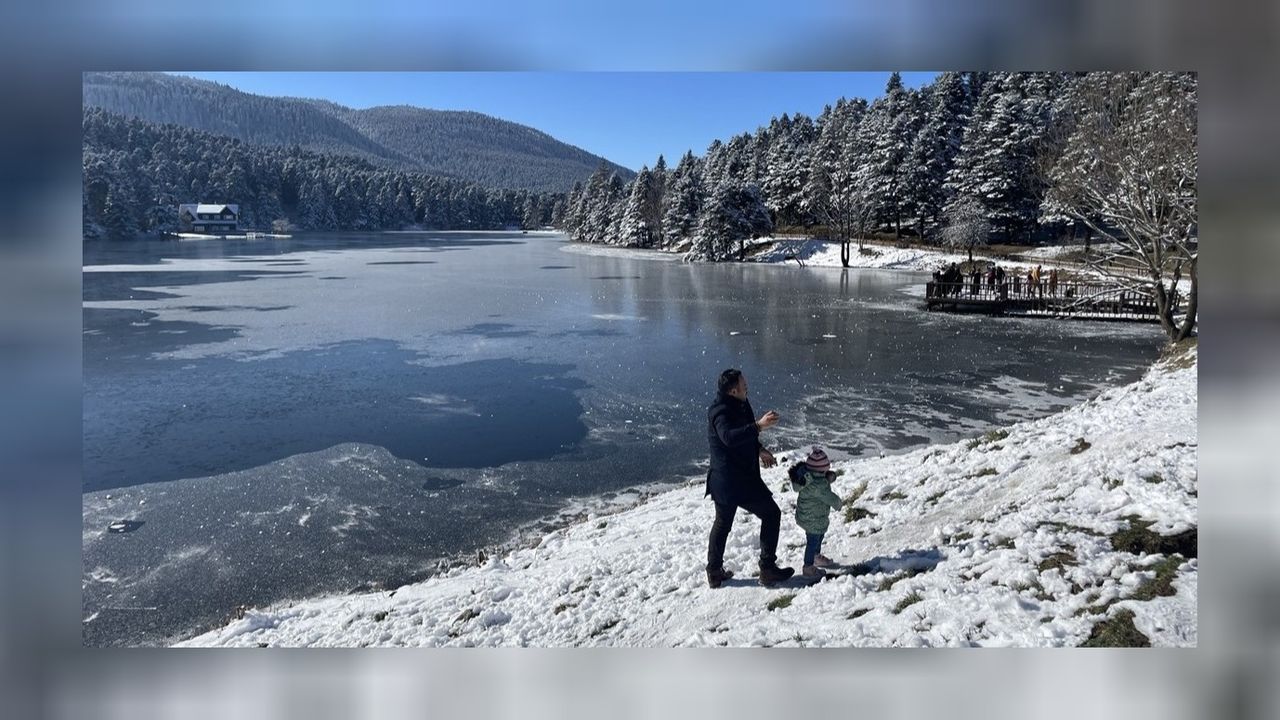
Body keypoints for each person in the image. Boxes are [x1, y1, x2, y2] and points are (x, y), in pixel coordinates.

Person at [705, 369, 794, 588]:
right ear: (733, 391)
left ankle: (715, 572)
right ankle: (767, 569)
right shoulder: (720, 412)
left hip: (734, 478)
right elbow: (729, 437)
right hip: (732, 480)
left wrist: (759, 449)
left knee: (723, 523)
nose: (747, 387)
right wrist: (759, 425)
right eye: (744, 385)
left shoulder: (741, 403)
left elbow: (745, 434)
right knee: (770, 514)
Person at [792, 446, 843, 580]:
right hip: (812, 519)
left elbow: (819, 480)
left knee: (818, 536)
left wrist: (826, 478)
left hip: (810, 516)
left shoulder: (808, 479)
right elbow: (829, 497)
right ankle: (808, 567)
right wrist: (838, 504)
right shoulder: (818, 486)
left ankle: (816, 557)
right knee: (813, 541)